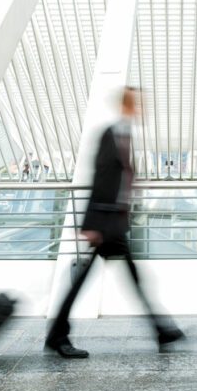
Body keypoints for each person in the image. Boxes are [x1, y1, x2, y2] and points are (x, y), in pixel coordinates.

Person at [45, 86, 184, 359]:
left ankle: (162, 330)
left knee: (130, 278)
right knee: (94, 280)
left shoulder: (123, 133)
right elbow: (101, 178)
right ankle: (57, 335)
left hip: (114, 222)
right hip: (106, 223)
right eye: (137, 104)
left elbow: (119, 179)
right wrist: (92, 225)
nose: (141, 109)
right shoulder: (112, 134)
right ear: (128, 106)